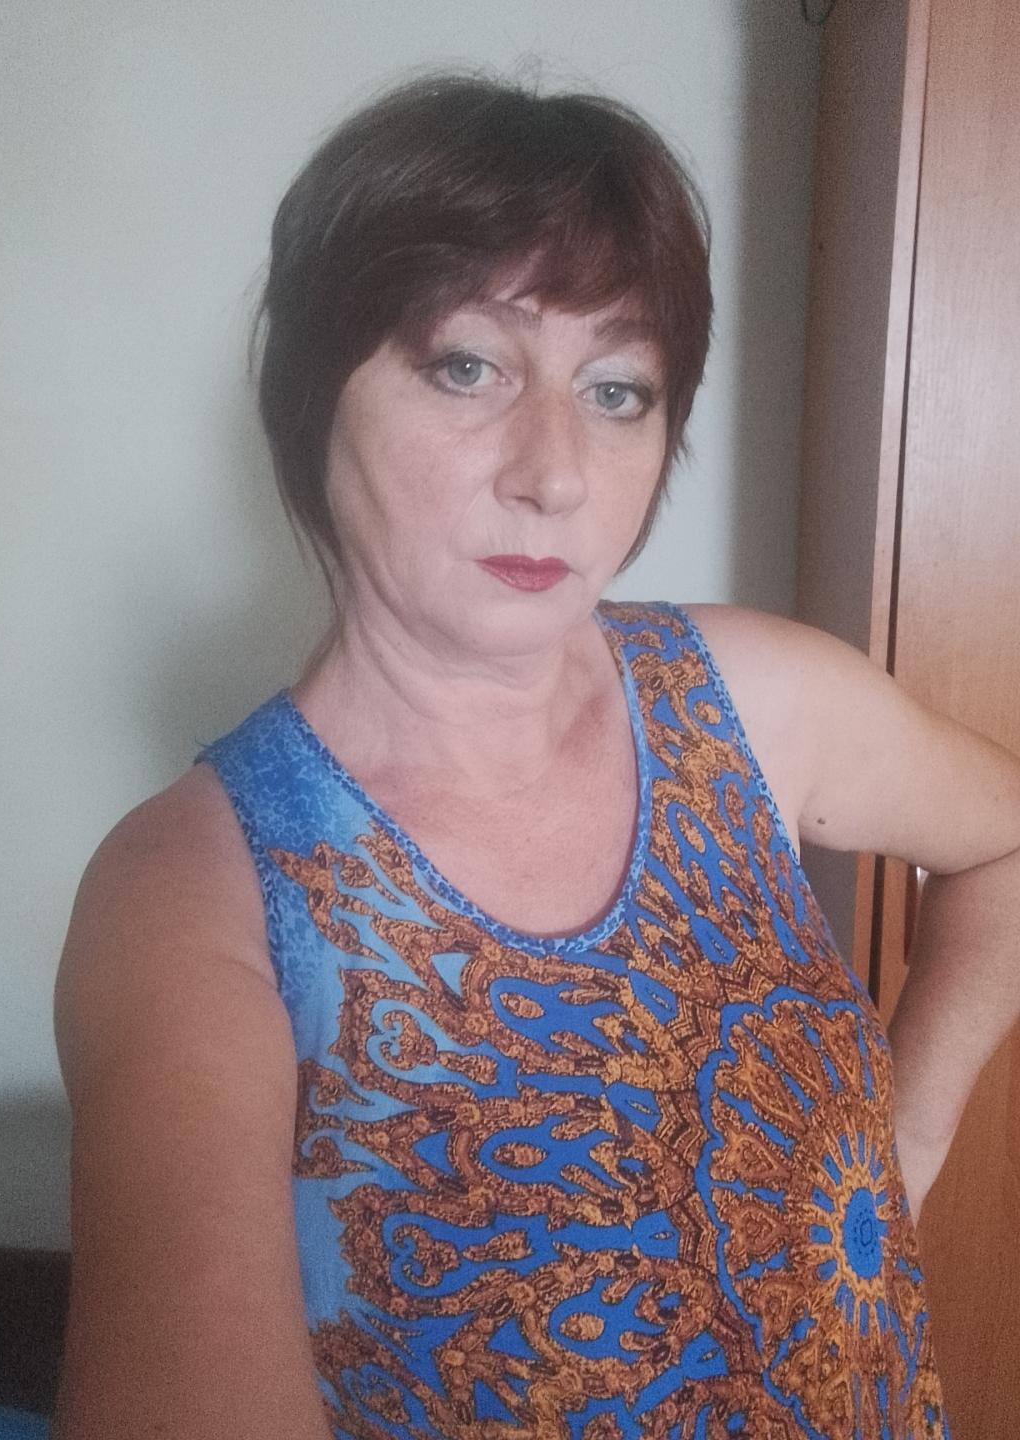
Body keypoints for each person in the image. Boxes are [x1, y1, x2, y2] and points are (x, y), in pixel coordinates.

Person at [53, 73, 1020, 1440]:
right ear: (312, 390)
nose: (555, 472)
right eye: (468, 366)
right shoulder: (190, 897)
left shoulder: (754, 700)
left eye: (617, 390)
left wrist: (902, 1146)